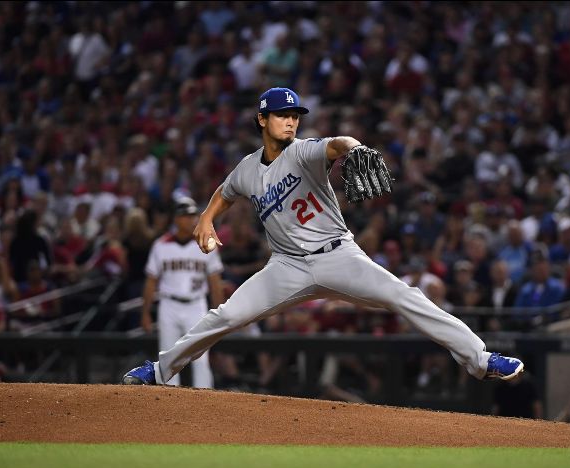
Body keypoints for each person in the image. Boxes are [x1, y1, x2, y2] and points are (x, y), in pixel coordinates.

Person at [122, 87, 524, 387]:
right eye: (281, 115)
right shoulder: (247, 168)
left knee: (407, 297)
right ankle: (159, 370)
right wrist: (207, 218)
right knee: (226, 315)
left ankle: (481, 358)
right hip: (286, 267)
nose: (291, 121)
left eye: (294, 114)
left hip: (337, 255)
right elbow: (226, 192)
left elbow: (337, 145)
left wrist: (357, 147)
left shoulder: (303, 152)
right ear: (262, 120)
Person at [139, 197, 226, 388]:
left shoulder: (206, 243)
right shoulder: (161, 245)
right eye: (187, 215)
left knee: (201, 358)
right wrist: (145, 312)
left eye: (194, 215)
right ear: (176, 219)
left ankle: (205, 402)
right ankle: (168, 404)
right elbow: (151, 281)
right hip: (168, 305)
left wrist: (219, 311)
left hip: (197, 305)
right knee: (168, 356)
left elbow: (215, 282)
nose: (192, 219)